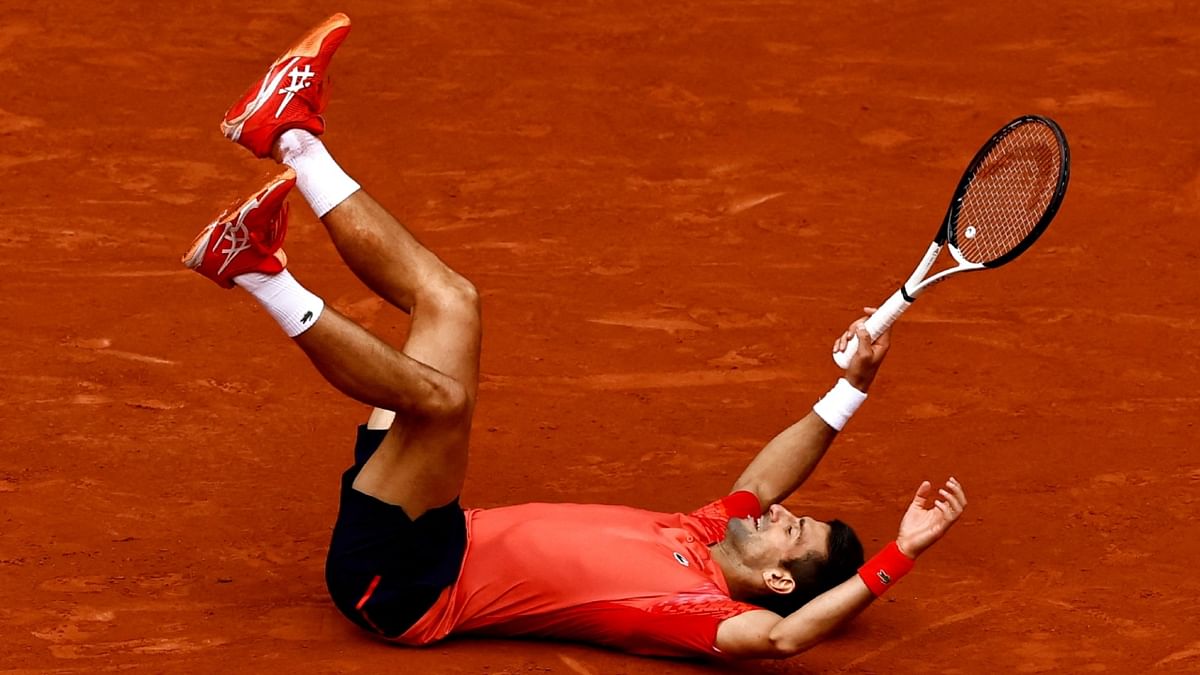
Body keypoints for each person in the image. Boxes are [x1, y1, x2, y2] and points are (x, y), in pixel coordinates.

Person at [184, 13, 968, 660]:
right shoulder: (699, 528)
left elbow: (788, 638)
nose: (775, 512)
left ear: (779, 580)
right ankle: (291, 137)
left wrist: (901, 553)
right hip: (427, 522)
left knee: (442, 403)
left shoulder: (692, 608)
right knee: (452, 302)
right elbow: (770, 470)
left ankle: (256, 272)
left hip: (405, 580)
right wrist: (853, 386)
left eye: (790, 530)